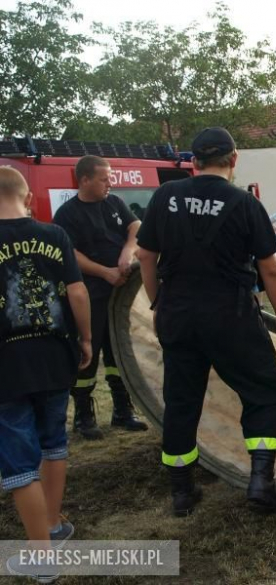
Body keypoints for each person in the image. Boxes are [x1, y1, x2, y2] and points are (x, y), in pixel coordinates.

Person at [135, 127, 276, 516]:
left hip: (178, 314)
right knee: (260, 388)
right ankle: (261, 481)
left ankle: (181, 491)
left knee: (181, 400)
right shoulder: (244, 202)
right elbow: (272, 270)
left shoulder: (165, 196)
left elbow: (145, 256)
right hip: (231, 315)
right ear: (234, 159)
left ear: (192, 162)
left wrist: (159, 303)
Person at [0, 167, 91, 581]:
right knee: (54, 443)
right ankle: (53, 526)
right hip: (56, 355)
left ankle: (42, 559)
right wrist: (86, 339)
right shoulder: (54, 235)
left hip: (7, 364)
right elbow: (76, 291)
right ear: (29, 199)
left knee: (18, 460)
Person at [53, 155, 148, 440]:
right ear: (84, 180)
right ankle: (83, 416)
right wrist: (105, 273)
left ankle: (122, 410)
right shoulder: (68, 214)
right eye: (104, 179)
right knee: (88, 357)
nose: (110, 183)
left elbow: (135, 227)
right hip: (90, 297)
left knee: (119, 352)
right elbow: (71, 254)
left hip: (120, 296)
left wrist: (127, 251)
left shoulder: (115, 203)